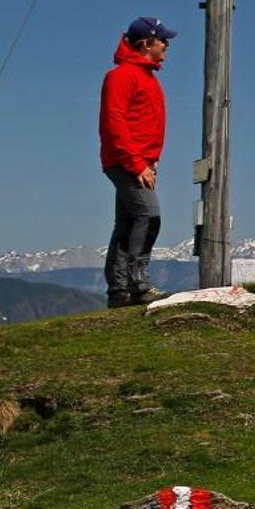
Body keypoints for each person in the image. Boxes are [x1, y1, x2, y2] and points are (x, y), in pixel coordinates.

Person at [99, 16, 175, 308]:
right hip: (126, 160)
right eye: (162, 40)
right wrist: (137, 163)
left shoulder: (146, 76)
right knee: (148, 216)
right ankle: (138, 282)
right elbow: (114, 122)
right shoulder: (122, 76)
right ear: (146, 44)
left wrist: (149, 162)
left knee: (128, 221)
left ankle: (119, 290)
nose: (166, 45)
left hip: (137, 160)